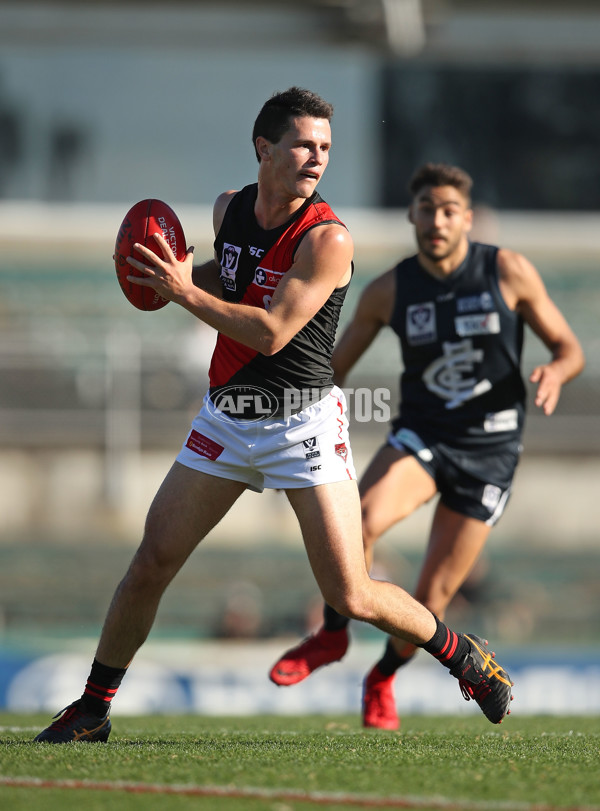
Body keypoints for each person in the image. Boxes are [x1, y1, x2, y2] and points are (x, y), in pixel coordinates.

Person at [35, 99, 513, 744]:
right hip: (227, 418)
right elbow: (228, 277)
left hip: (301, 427)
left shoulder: (327, 238)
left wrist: (183, 294)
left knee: (351, 595)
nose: (317, 157)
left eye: (325, 147)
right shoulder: (227, 208)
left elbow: (272, 331)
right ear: (263, 149)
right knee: (151, 561)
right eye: (303, 145)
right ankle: (93, 708)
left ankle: (464, 655)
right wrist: (162, 276)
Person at [269, 162, 585, 729]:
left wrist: (557, 372)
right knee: (358, 522)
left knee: (433, 596)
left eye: (448, 211)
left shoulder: (507, 271)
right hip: (422, 436)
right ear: (412, 215)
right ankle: (334, 636)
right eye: (426, 210)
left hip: (491, 451)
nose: (436, 221)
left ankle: (382, 676)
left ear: (466, 218)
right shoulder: (389, 290)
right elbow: (331, 369)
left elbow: (569, 347)